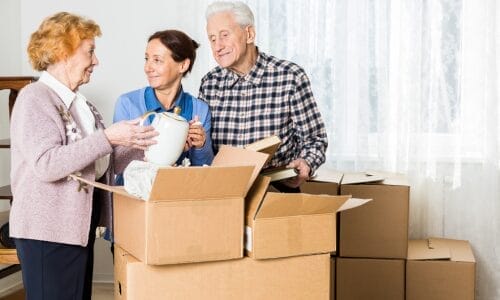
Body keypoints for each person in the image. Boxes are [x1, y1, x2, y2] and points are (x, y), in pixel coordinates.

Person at [9, 12, 157, 300]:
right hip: (46, 231)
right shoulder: (34, 98)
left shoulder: (81, 104)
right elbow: (47, 163)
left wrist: (150, 140)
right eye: (90, 51)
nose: (96, 61)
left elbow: (100, 159)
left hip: (74, 228)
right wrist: (108, 137)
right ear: (64, 52)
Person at [199, 1, 328, 192]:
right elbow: (203, 147)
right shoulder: (209, 84)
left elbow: (315, 139)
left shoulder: (290, 76)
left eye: (224, 35)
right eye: (212, 39)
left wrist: (306, 163)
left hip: (277, 191)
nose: (218, 46)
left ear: (249, 34)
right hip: (224, 193)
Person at [114, 29, 214, 168]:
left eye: (157, 60)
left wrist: (200, 145)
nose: (148, 67)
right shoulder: (128, 103)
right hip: (133, 189)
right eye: (147, 59)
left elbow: (204, 169)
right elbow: (117, 164)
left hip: (179, 189)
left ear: (183, 65)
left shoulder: (200, 110)